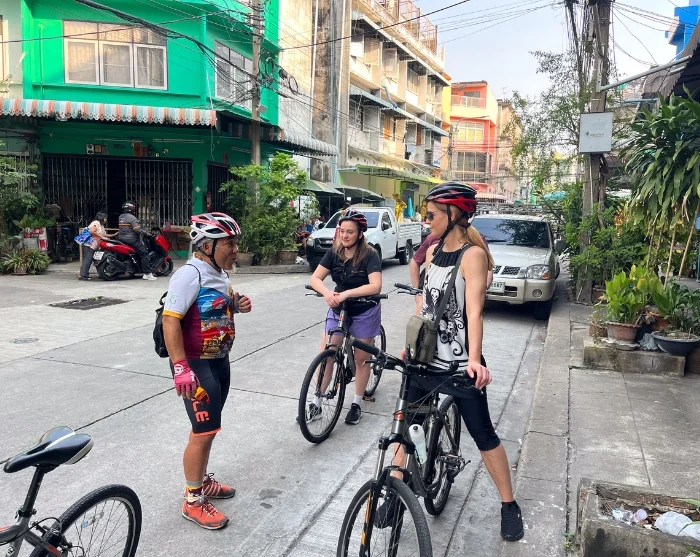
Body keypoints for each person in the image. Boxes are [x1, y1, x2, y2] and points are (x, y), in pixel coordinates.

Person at [377, 183, 524, 542]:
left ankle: (509, 504)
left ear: (453, 215)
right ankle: (395, 495)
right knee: (405, 428)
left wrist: (474, 360)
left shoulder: (473, 256)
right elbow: (426, 305)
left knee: (483, 434)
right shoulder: (433, 251)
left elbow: (474, 312)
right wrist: (411, 345)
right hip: (424, 360)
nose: (426, 220)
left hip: (458, 365)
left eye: (431, 215)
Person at [162, 212, 252, 530]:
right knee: (202, 433)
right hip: (196, 365)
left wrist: (236, 304)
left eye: (235, 243)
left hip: (218, 361)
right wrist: (181, 367)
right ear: (207, 245)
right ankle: (193, 501)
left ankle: (200, 481)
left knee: (209, 429)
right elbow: (170, 320)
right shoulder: (189, 275)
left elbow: (213, 307)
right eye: (230, 243)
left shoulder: (218, 273)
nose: (235, 250)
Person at [308, 210, 382, 425]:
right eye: (342, 231)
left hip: (364, 308)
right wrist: (327, 293)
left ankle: (357, 403)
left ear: (360, 234)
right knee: (328, 352)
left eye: (350, 232)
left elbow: (376, 285)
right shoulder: (334, 252)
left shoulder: (370, 254)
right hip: (339, 307)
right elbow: (315, 278)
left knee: (361, 359)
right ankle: (317, 402)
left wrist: (348, 293)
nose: (345, 235)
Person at [411, 231, 494, 314]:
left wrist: (480, 291)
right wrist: (417, 292)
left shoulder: (476, 238)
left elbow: (488, 267)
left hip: (461, 298)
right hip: (431, 298)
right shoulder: (432, 239)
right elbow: (415, 262)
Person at [118, 201, 156, 281]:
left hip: (122, 239)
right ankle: (147, 274)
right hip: (131, 240)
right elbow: (136, 229)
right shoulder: (132, 217)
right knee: (145, 253)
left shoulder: (121, 217)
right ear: (131, 209)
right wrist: (146, 233)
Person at [79, 211, 116, 281]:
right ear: (101, 218)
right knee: (88, 259)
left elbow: (104, 235)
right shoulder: (96, 223)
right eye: (105, 218)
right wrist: (101, 237)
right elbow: (92, 231)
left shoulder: (101, 226)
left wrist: (114, 235)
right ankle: (83, 275)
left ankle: (101, 274)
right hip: (90, 244)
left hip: (96, 245)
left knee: (98, 260)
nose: (106, 220)